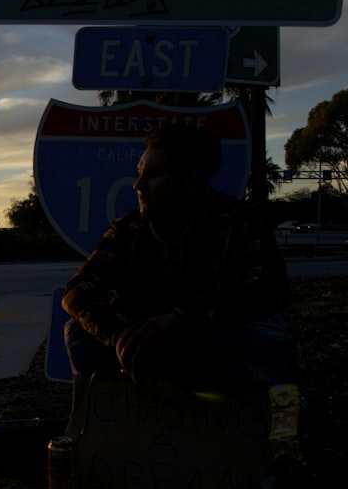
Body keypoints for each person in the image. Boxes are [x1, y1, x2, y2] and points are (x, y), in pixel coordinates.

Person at [61, 123, 293, 393]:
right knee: (77, 331)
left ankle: (267, 429)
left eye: (153, 175)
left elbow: (269, 288)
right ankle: (105, 422)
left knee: (267, 333)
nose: (138, 185)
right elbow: (77, 288)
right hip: (140, 345)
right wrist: (117, 335)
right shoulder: (128, 229)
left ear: (192, 178)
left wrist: (180, 320)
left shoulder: (239, 221)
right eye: (139, 174)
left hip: (213, 341)